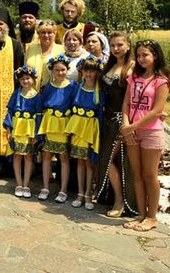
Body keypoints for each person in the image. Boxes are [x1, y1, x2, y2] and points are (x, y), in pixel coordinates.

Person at [120, 40, 169, 232]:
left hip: (151, 132)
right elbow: (126, 104)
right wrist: (126, 125)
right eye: (138, 55)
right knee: (137, 174)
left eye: (145, 55)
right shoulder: (133, 78)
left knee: (150, 175)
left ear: (155, 56)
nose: (141, 59)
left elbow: (157, 110)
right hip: (132, 130)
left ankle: (152, 216)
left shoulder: (161, 80)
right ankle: (141, 214)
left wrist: (133, 126)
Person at [96, 31, 136, 217]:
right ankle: (114, 197)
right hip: (107, 119)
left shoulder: (132, 67)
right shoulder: (110, 65)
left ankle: (121, 201)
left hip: (122, 119)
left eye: (120, 45)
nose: (116, 49)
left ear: (128, 45)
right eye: (112, 45)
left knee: (115, 160)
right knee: (107, 160)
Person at [0, 8, 24, 174]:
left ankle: (8, 167)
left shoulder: (15, 45)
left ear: (7, 26)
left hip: (10, 96)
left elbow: (20, 70)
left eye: (1, 23)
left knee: (8, 128)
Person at [65, 55, 106, 210]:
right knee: (80, 162)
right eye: (86, 71)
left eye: (92, 71)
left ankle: (89, 193)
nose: (89, 74)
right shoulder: (76, 88)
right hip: (77, 129)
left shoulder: (100, 91)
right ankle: (80, 193)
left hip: (90, 130)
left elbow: (101, 114)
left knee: (89, 163)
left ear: (97, 73)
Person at [37, 54, 78, 202]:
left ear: (67, 70)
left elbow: (75, 106)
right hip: (50, 124)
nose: (60, 73)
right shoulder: (47, 87)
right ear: (52, 71)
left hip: (64, 125)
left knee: (63, 157)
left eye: (63, 70)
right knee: (47, 155)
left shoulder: (73, 87)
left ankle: (63, 190)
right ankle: (45, 186)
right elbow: (42, 105)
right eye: (57, 70)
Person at [4, 66, 42, 198]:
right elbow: (10, 111)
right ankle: (18, 183)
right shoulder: (16, 94)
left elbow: (38, 116)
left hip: (29, 130)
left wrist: (36, 134)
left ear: (33, 79)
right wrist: (8, 130)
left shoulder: (37, 96)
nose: (25, 81)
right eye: (22, 79)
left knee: (28, 156)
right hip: (17, 128)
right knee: (17, 155)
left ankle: (26, 184)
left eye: (28, 78)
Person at [25, 20, 65, 89]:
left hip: (53, 91)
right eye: (43, 32)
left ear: (55, 33)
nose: (46, 35)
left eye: (49, 32)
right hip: (31, 90)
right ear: (38, 34)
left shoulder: (61, 50)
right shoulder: (30, 48)